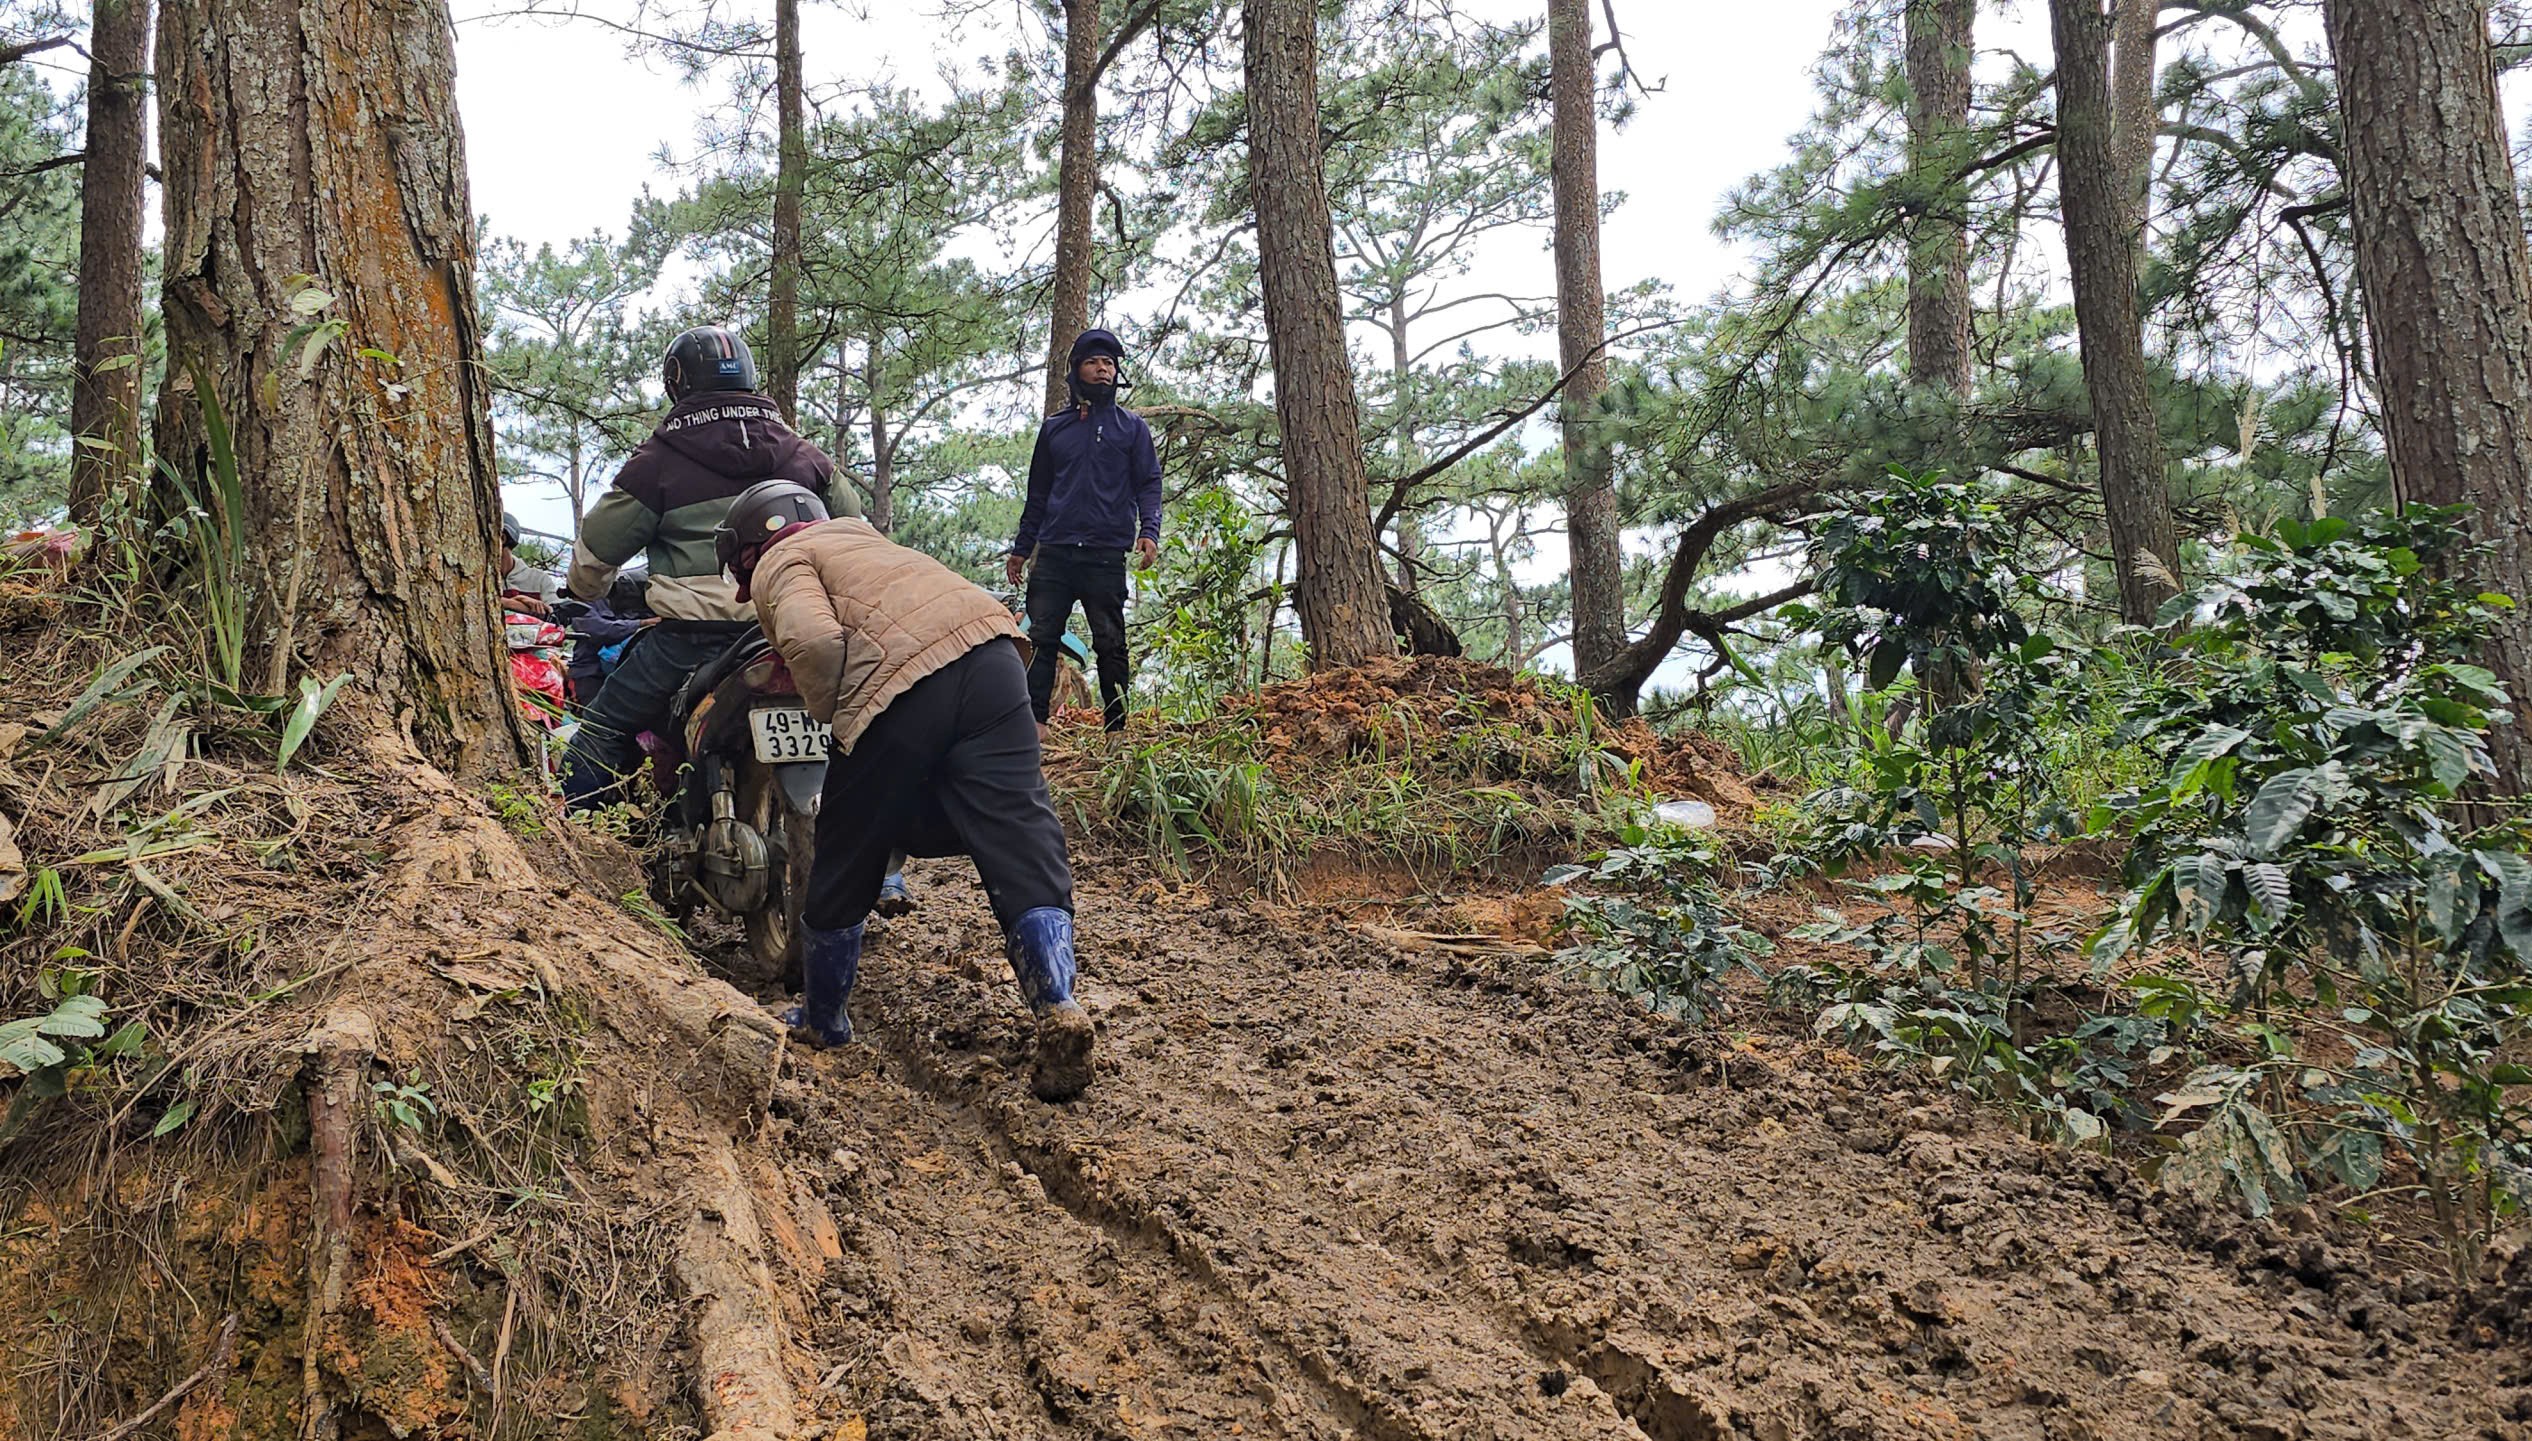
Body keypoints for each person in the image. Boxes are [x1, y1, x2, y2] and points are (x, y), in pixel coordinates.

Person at [723, 479, 1095, 1101]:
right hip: (995, 655)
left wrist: (835, 716)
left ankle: (824, 1018)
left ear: (744, 553)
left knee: (847, 842)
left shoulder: (782, 559)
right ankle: (1058, 1001)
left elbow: (813, 640)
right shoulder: (865, 538)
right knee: (1020, 831)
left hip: (901, 684)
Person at [557, 326, 854, 812]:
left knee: (602, 730)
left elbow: (594, 555)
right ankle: (884, 874)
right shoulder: (804, 454)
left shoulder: (658, 462)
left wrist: (586, 587)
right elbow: (856, 533)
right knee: (864, 731)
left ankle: (583, 853)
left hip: (689, 640)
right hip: (798, 630)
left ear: (677, 383)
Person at [1005, 328, 1162, 735]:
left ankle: (1117, 731)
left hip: (1105, 553)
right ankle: (1035, 730)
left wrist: (1150, 531)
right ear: (1077, 370)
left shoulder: (1132, 429)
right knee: (1041, 638)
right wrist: (1022, 549)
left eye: (1109, 363)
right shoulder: (1055, 429)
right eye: (1094, 361)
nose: (1103, 369)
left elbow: (1148, 483)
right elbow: (1037, 492)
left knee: (1110, 642)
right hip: (1055, 551)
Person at [564, 573, 655, 708]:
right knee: (596, 718)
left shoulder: (636, 601)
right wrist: (641, 623)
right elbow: (599, 630)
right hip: (591, 672)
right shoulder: (583, 602)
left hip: (628, 671)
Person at [501, 513, 559, 618]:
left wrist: (508, 602)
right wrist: (516, 602)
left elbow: (554, 615)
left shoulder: (539, 579)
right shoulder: (476, 579)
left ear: (503, 538)